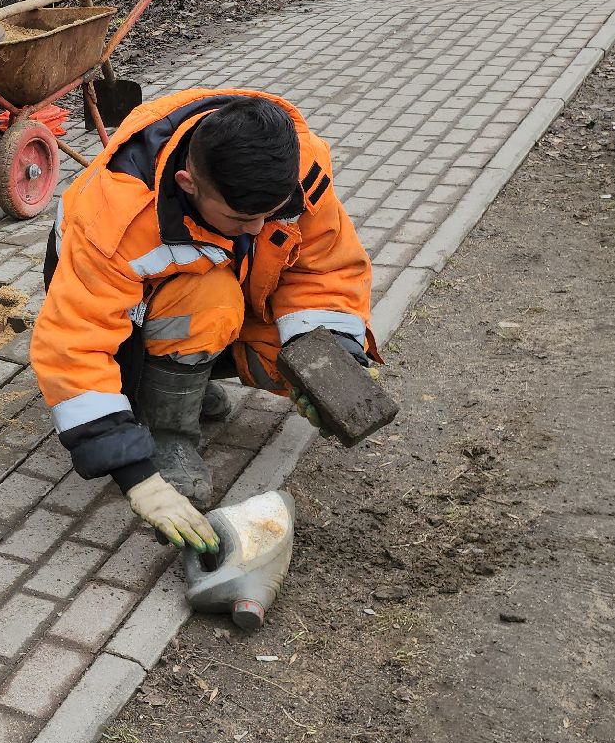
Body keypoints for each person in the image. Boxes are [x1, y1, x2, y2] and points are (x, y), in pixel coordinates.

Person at [32, 90, 378, 552]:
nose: (257, 228)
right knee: (209, 299)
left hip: (215, 297)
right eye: (240, 217)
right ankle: (166, 432)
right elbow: (76, 343)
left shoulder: (294, 168)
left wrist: (332, 360)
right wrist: (137, 475)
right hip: (124, 326)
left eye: (268, 215)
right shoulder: (115, 218)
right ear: (188, 183)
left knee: (283, 344)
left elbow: (323, 269)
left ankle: (180, 385)